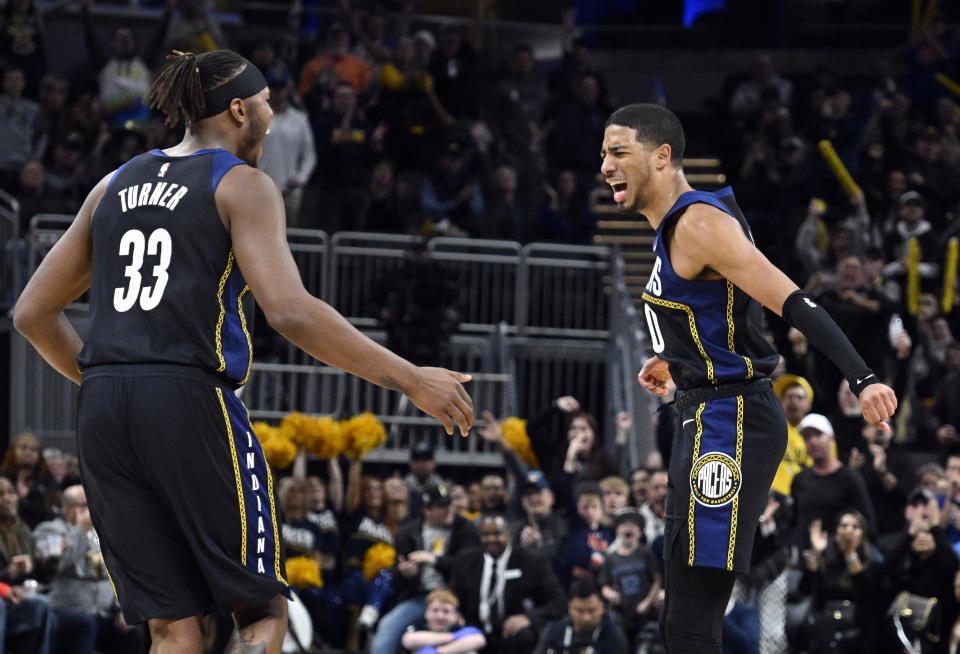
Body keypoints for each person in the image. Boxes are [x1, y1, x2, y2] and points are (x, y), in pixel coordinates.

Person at [12, 49, 474, 654]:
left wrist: (117, 385)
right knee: (259, 609)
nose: (271, 117)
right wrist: (411, 378)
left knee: (173, 627)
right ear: (238, 109)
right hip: (189, 397)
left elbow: (30, 313)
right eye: (265, 106)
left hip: (103, 407)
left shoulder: (111, 184)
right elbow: (290, 311)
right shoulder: (242, 184)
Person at [601, 103, 897, 652]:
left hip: (731, 421)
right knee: (680, 624)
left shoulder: (701, 223)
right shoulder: (674, 229)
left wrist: (864, 378)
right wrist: (679, 362)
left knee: (691, 625)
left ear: (661, 156)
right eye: (603, 154)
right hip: (708, 410)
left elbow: (793, 301)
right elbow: (726, 316)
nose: (605, 165)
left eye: (618, 152)